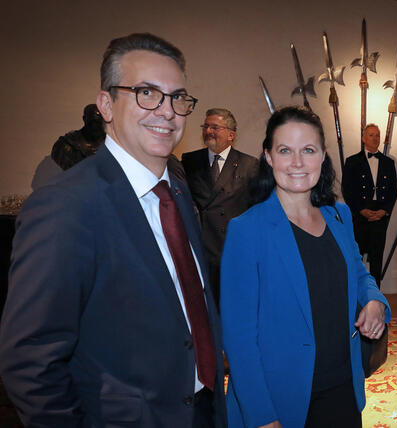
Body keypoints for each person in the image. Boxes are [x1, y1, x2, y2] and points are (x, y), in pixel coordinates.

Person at [0, 33, 227, 428]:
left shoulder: (175, 188)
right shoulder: (65, 205)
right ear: (106, 104)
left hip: (201, 410)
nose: (167, 111)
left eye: (177, 97)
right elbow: (31, 360)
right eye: (146, 93)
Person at [221, 106, 390, 428]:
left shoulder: (339, 216)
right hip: (280, 399)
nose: (297, 163)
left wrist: (375, 301)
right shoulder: (247, 230)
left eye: (308, 150)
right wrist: (262, 416)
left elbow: (359, 273)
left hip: (343, 388)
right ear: (268, 157)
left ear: (323, 156)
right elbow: (239, 337)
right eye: (285, 150)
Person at [182, 108, 258, 304]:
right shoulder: (189, 161)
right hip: (201, 250)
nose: (208, 131)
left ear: (231, 134)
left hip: (232, 252)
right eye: (206, 126)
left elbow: (255, 210)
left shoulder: (249, 165)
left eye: (215, 127)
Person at [342, 123, 397, 286]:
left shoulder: (388, 162)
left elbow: (393, 191)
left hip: (380, 215)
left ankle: (376, 297)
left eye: (377, 135)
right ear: (363, 138)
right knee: (356, 257)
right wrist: (360, 210)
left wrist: (384, 211)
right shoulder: (352, 161)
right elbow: (347, 189)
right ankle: (357, 293)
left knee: (377, 259)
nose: (375, 138)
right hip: (360, 214)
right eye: (371, 135)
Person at [51, 103, 106, 170]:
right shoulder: (66, 146)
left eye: (99, 123)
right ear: (84, 119)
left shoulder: (114, 144)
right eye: (93, 122)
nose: (95, 127)